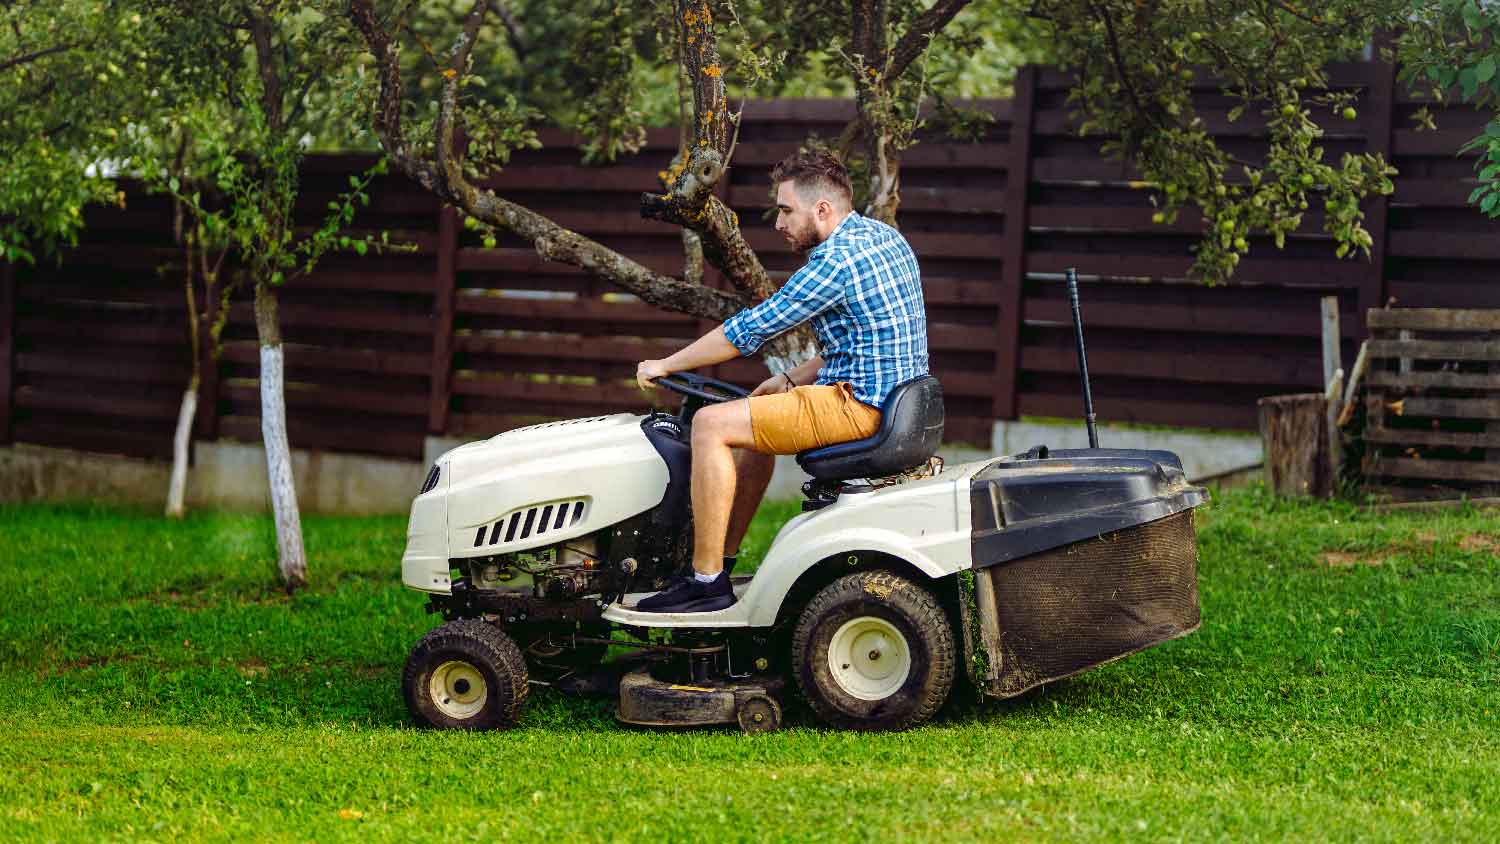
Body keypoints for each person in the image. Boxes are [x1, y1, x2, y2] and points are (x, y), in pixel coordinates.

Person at [632, 149, 929, 613]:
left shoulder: (834, 263)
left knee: (711, 424)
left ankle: (704, 580)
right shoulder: (882, 238)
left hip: (858, 407)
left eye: (786, 210)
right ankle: (723, 563)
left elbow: (748, 330)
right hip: (890, 400)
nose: (778, 223)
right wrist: (791, 377)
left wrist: (666, 364)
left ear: (823, 209)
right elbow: (861, 340)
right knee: (750, 434)